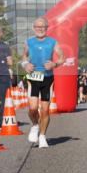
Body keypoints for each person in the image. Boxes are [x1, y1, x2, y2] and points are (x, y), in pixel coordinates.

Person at [20, 17, 64, 148]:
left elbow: (62, 57)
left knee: (45, 110)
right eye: (37, 27)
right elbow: (24, 56)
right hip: (33, 78)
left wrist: (54, 64)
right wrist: (25, 64)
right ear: (34, 28)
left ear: (47, 28)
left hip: (47, 78)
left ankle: (43, 136)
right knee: (33, 108)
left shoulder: (53, 42)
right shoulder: (29, 42)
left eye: (43, 27)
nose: (40, 29)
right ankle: (35, 125)